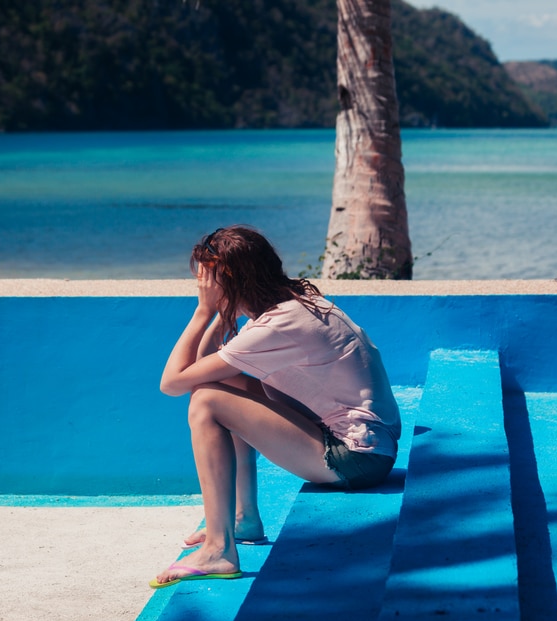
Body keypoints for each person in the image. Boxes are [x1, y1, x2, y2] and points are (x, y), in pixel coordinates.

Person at [149, 226, 401, 588]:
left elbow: (172, 383)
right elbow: (203, 370)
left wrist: (204, 311)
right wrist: (225, 308)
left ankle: (219, 549)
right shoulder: (292, 303)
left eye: (207, 280)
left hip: (356, 458)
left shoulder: (279, 325)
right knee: (219, 388)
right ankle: (243, 519)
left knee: (206, 402)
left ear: (230, 280)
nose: (202, 287)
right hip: (370, 447)